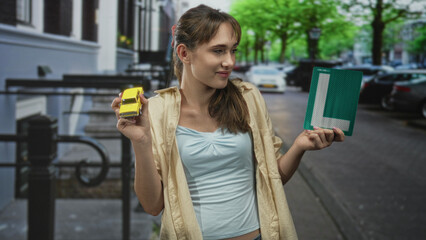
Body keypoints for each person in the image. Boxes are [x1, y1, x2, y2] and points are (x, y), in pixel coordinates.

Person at [111, 4, 345, 240]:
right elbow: (152, 205)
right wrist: (141, 141)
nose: (230, 62)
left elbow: (272, 180)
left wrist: (299, 146)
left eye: (233, 50)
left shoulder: (248, 98)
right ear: (184, 53)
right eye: (218, 51)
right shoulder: (157, 110)